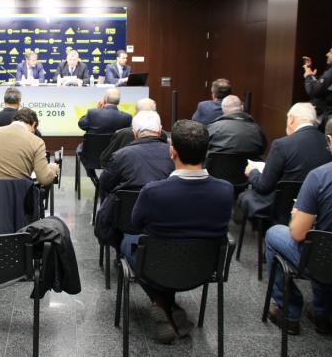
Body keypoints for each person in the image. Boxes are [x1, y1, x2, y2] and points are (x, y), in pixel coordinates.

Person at [120, 119, 233, 344]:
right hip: (203, 268)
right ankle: (169, 304)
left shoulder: (154, 191)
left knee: (128, 242)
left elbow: (135, 223)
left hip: (156, 264)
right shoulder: (225, 190)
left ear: (172, 152)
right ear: (206, 152)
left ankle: (160, 301)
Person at [265, 115, 332, 335]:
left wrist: (297, 215)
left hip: (325, 261)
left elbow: (298, 233)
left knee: (275, 233)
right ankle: (321, 311)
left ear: (330, 140)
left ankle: (289, 311)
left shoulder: (320, 176)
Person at [237, 102, 331, 219]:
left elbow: (263, 186)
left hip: (282, 207)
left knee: (245, 196)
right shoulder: (329, 143)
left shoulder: (281, 145)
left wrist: (252, 172)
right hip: (317, 207)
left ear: (291, 120)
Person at [95, 110, 174, 247]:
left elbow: (104, 184)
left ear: (134, 133)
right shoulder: (174, 153)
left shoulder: (121, 155)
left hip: (126, 223)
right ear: (160, 130)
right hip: (167, 221)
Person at [0, 107, 59, 187]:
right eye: (34, 130)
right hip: (17, 196)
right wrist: (53, 169)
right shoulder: (37, 141)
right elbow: (44, 179)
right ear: (34, 124)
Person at [78, 88, 132, 175]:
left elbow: (81, 124)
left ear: (105, 99)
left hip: (93, 157)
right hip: (117, 157)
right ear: (118, 101)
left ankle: (93, 177)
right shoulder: (127, 117)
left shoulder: (93, 113)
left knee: (80, 150)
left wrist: (98, 110)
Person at [99, 98, 164, 167]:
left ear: (135, 113)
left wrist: (100, 111)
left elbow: (105, 159)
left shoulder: (123, 134)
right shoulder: (163, 135)